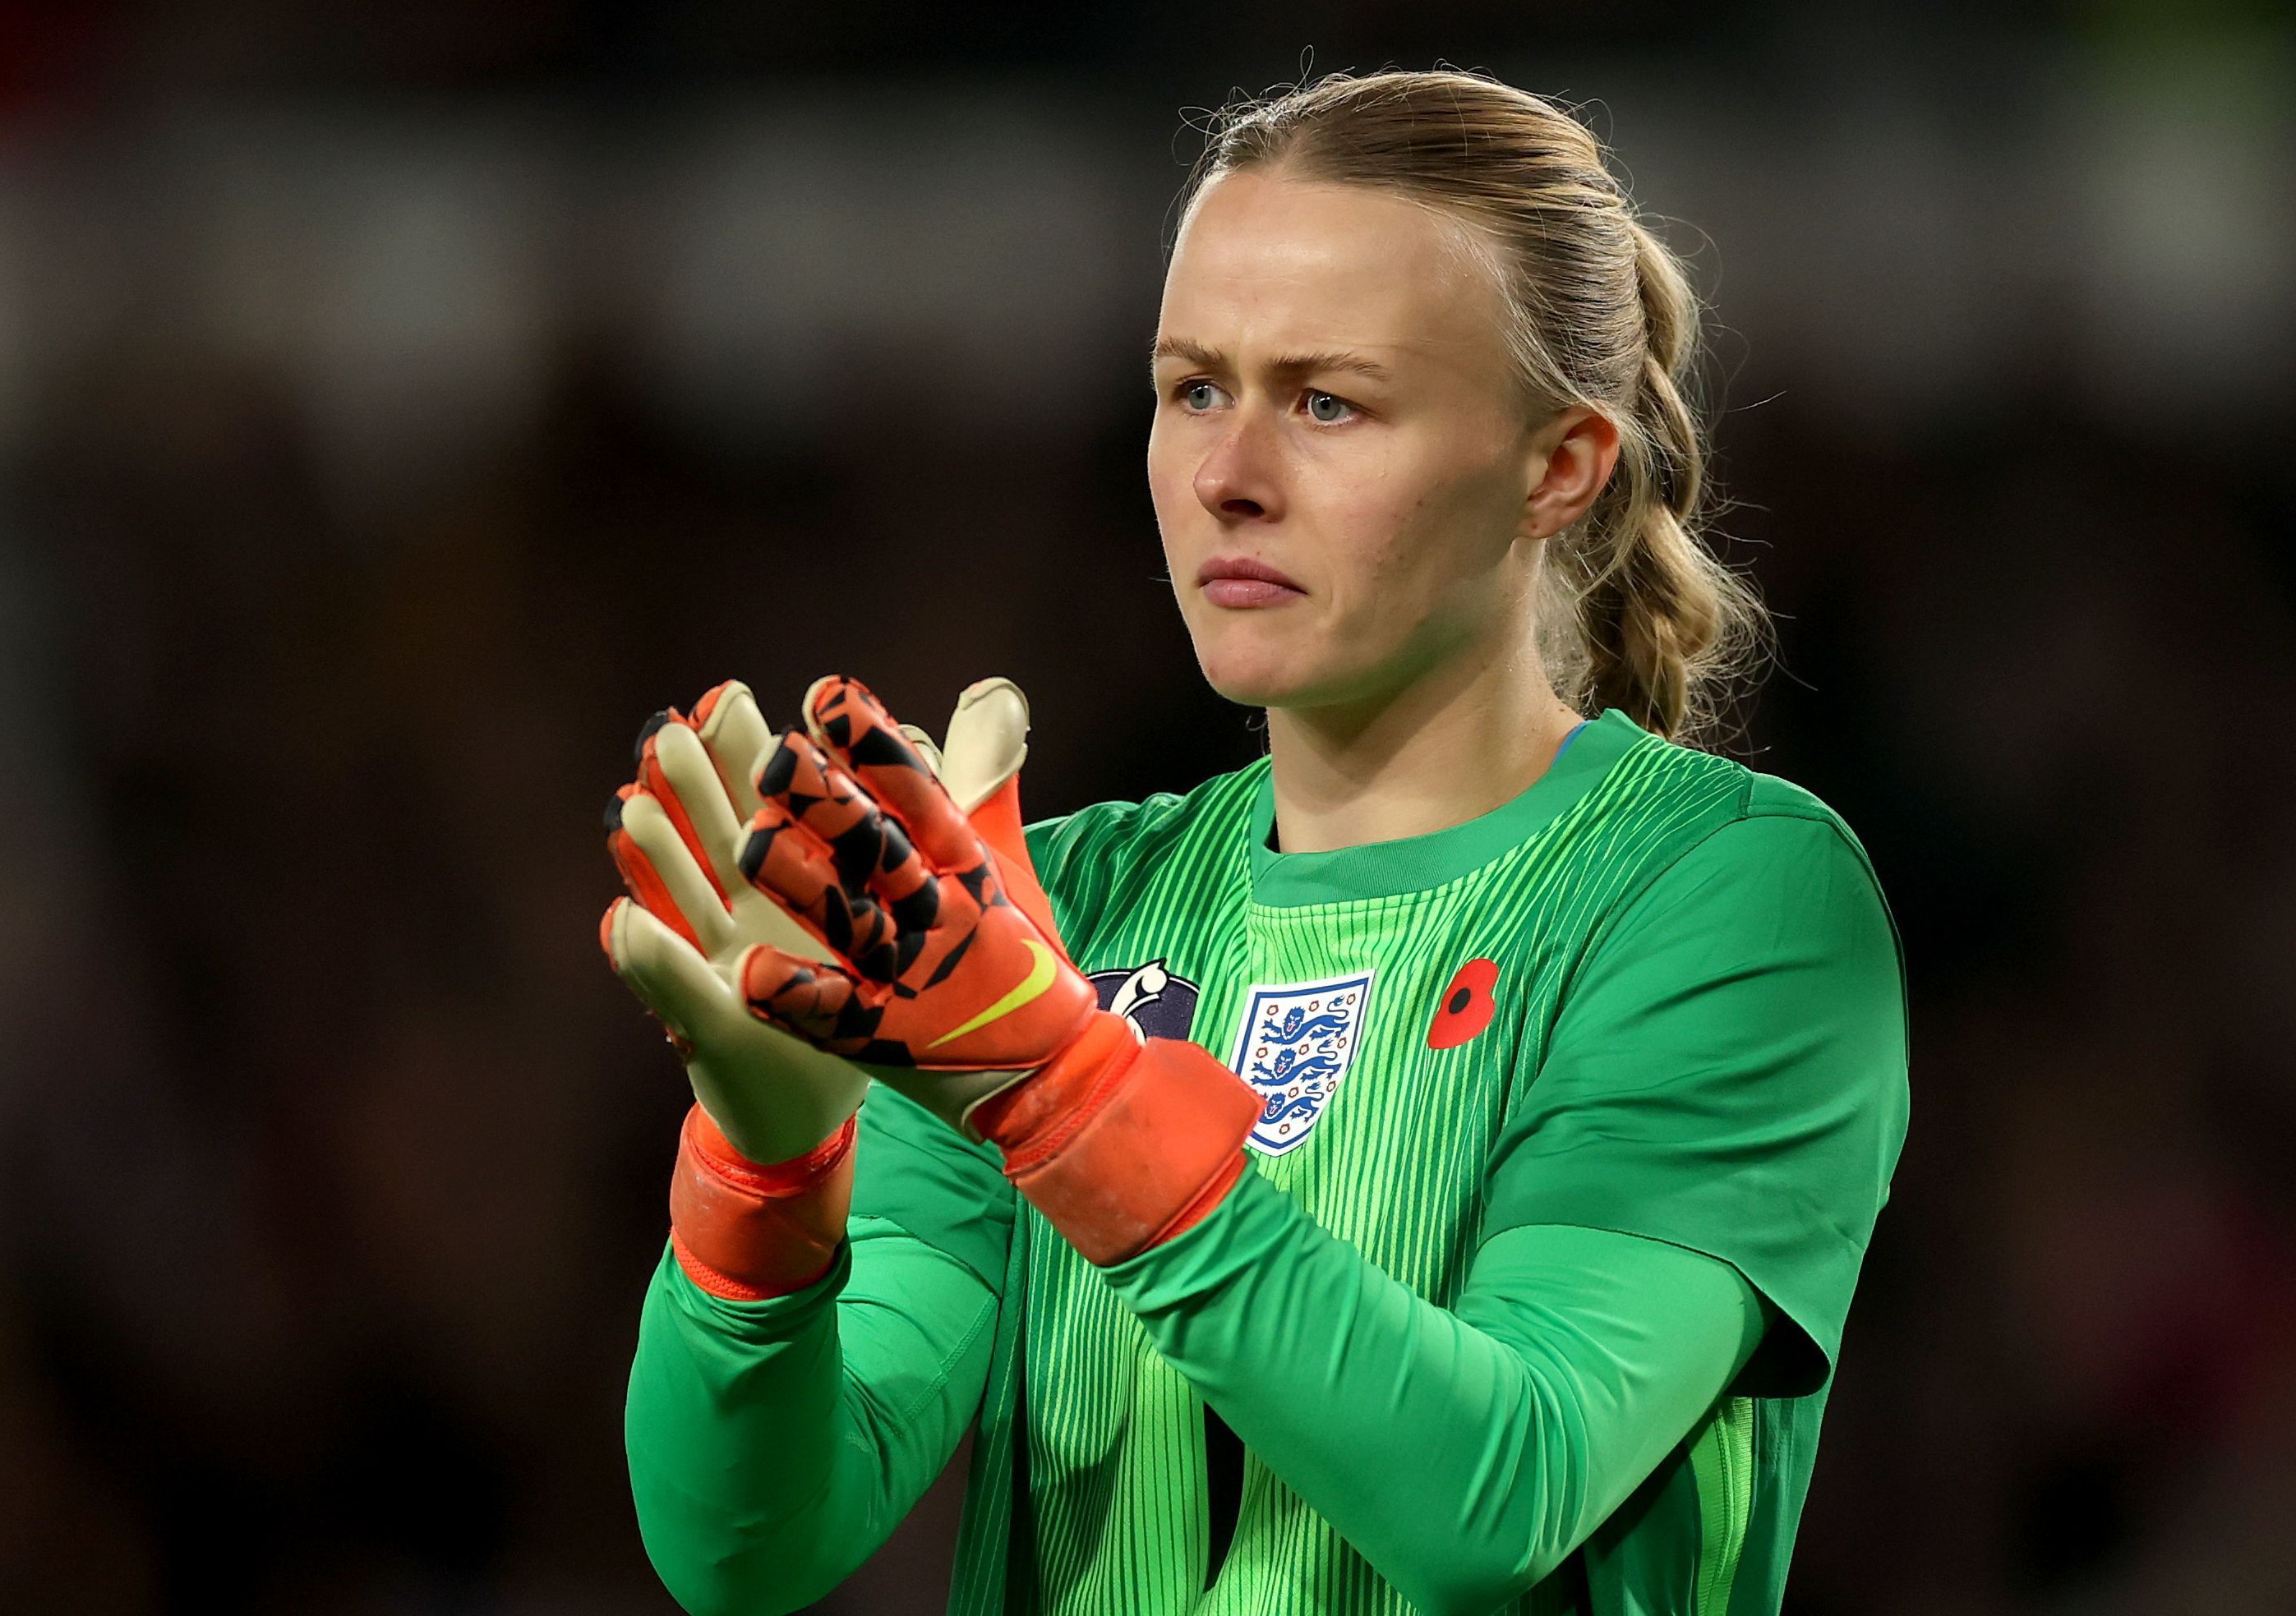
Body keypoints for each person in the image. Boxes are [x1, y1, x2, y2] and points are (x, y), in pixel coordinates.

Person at [600, 68, 1909, 1616]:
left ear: (1557, 466)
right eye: (1192, 388)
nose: (1227, 476)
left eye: (1329, 400)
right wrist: (763, 1177)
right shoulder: (1047, 917)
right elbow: (744, 1550)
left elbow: (1503, 1489)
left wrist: (1059, 1087)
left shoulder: (1725, 894)